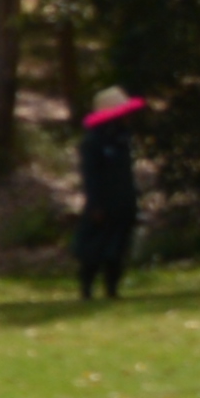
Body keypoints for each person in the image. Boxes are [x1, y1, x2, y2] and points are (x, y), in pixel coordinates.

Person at [72, 88, 152, 302]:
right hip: (102, 202)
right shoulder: (93, 142)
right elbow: (91, 176)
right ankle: (86, 289)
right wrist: (96, 204)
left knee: (118, 248)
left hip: (123, 201)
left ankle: (112, 288)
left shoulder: (122, 140)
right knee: (93, 248)